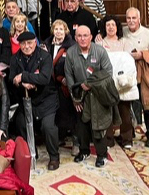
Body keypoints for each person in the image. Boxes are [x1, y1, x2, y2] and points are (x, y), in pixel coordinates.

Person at [64, 25, 116, 167]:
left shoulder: (100, 51)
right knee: (81, 126)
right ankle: (84, 151)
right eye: (79, 36)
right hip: (80, 96)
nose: (82, 39)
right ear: (75, 38)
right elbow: (69, 77)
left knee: (98, 127)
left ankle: (102, 155)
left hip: (99, 95)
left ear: (91, 37)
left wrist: (91, 84)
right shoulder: (71, 53)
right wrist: (75, 98)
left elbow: (108, 73)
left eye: (85, 35)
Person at [8, 31, 61, 170]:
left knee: (48, 127)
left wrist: (24, 76)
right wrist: (21, 83)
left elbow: (44, 78)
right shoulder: (15, 58)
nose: (26, 46)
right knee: (20, 123)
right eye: (23, 44)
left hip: (46, 99)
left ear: (35, 42)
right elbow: (11, 78)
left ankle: (54, 157)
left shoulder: (45, 56)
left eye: (30, 43)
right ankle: (31, 153)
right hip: (26, 100)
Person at [96, 15, 137, 149]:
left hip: (123, 82)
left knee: (125, 111)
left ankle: (127, 139)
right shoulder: (100, 43)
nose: (111, 27)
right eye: (108, 25)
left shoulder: (124, 42)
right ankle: (108, 139)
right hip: (107, 82)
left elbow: (130, 61)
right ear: (104, 27)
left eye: (113, 25)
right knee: (107, 111)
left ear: (117, 27)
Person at [123, 7, 149, 148]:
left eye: (134, 18)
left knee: (147, 105)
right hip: (127, 73)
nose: (131, 21)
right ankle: (128, 133)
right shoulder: (123, 32)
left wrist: (142, 55)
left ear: (139, 19)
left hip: (144, 75)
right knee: (126, 105)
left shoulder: (147, 34)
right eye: (128, 18)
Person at [42, 19, 78, 154]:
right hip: (51, 85)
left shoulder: (72, 46)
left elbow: (74, 66)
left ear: (66, 31)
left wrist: (65, 79)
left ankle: (76, 141)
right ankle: (60, 137)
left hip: (66, 84)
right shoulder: (46, 45)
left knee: (70, 113)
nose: (58, 32)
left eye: (61, 29)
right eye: (56, 29)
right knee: (55, 113)